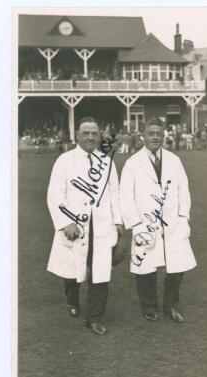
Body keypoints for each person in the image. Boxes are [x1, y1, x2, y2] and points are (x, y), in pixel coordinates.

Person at [47, 117, 123, 335]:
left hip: (102, 227)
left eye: (94, 133)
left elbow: (115, 194)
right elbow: (55, 194)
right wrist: (65, 223)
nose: (90, 137)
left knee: (100, 272)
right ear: (78, 135)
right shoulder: (64, 161)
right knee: (72, 271)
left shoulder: (106, 163)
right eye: (86, 133)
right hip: (75, 228)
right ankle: (72, 300)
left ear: (100, 136)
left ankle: (95, 318)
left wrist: (117, 222)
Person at [119, 117, 197, 323]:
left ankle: (170, 304)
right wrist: (135, 224)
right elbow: (125, 195)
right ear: (143, 135)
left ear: (163, 136)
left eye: (158, 133)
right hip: (145, 223)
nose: (155, 137)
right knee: (145, 266)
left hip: (173, 222)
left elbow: (183, 190)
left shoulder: (174, 160)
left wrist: (183, 216)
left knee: (178, 265)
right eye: (151, 133)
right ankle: (149, 307)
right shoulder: (132, 163)